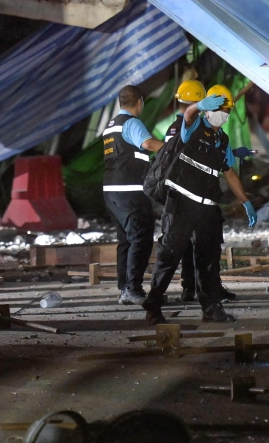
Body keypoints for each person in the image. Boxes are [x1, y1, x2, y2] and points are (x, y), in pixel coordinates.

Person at [143, 85, 257, 325]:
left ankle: (211, 307)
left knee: (208, 259)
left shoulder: (222, 139)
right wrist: (198, 106)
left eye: (226, 110)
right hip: (182, 204)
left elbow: (230, 173)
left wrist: (246, 202)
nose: (223, 114)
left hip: (206, 209)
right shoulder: (193, 127)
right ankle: (153, 307)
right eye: (218, 108)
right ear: (208, 109)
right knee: (169, 256)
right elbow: (188, 115)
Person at [164, 80, 237, 304]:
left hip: (187, 196)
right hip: (187, 195)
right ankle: (197, 291)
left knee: (194, 247)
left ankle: (198, 290)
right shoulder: (187, 126)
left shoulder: (179, 127)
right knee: (193, 248)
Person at [103, 85, 164, 305]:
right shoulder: (131, 123)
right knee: (140, 238)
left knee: (126, 241)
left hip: (111, 192)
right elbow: (147, 143)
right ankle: (132, 288)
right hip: (129, 191)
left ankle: (125, 289)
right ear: (140, 102)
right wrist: (172, 148)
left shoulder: (110, 127)